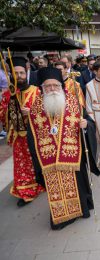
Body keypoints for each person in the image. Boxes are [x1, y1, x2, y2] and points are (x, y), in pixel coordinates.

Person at [27, 67, 100, 230]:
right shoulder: (35, 110)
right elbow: (31, 137)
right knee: (56, 189)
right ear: (42, 88)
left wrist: (86, 125)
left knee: (79, 185)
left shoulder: (74, 102)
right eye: (48, 86)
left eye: (55, 85)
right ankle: (61, 217)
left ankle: (81, 209)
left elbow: (89, 122)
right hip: (50, 160)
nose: (52, 89)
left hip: (73, 156)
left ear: (61, 86)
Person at [0, 57, 45, 206]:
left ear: (26, 73)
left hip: (36, 135)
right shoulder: (7, 94)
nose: (19, 76)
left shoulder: (36, 91)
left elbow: (45, 113)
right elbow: (2, 114)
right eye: (16, 73)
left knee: (37, 162)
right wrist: (11, 110)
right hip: (19, 138)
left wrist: (31, 111)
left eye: (21, 73)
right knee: (22, 165)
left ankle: (40, 183)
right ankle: (26, 191)